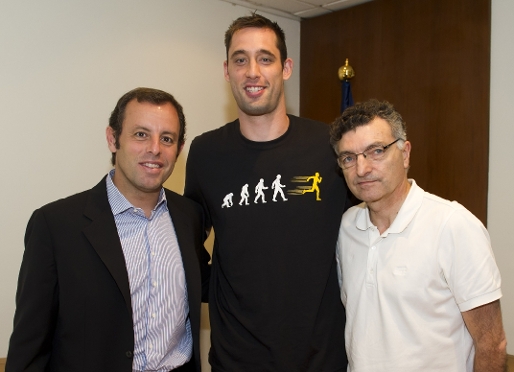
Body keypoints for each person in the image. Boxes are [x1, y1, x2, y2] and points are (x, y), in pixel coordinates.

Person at [184, 13, 353, 372]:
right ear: (227, 71)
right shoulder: (206, 153)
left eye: (265, 58)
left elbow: (368, 235)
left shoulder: (329, 146)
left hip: (322, 359)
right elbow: (187, 243)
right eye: (240, 59)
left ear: (286, 68)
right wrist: (221, 289)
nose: (252, 71)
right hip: (236, 360)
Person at [6, 87, 210, 372]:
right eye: (141, 134)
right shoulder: (55, 226)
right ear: (113, 139)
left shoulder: (190, 216)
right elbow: (29, 347)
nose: (154, 148)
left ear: (179, 148)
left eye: (167, 138)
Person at [329, 99, 507, 371]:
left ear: (405, 153)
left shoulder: (453, 226)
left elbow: (491, 343)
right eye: (349, 158)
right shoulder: (346, 228)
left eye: (376, 151)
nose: (362, 169)